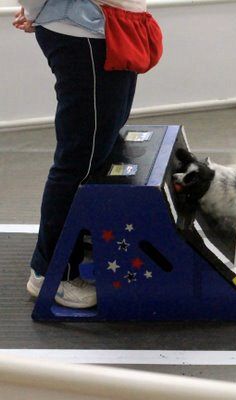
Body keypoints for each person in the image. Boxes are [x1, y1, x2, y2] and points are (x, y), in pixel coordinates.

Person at [14, 0, 146, 308]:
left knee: (102, 143)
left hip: (108, 25)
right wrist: (36, 10)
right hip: (82, 33)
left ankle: (79, 236)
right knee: (80, 160)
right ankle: (51, 273)